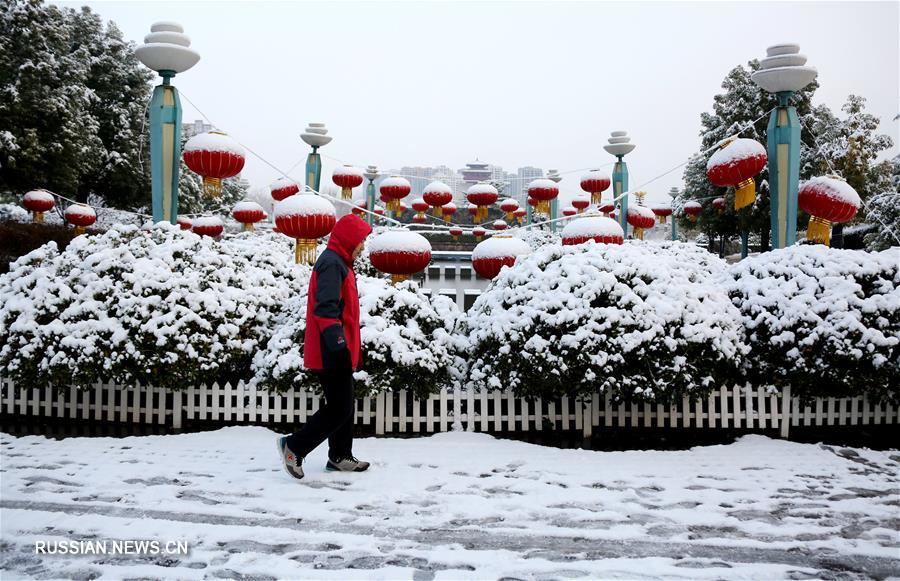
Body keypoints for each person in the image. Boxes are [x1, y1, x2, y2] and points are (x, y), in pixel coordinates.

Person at [277, 213, 372, 479]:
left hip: (338, 347)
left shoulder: (341, 262)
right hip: (330, 349)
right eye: (360, 241)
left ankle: (340, 455)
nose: (362, 246)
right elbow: (326, 310)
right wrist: (339, 345)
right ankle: (294, 446)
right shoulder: (332, 264)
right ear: (348, 239)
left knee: (344, 404)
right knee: (339, 407)